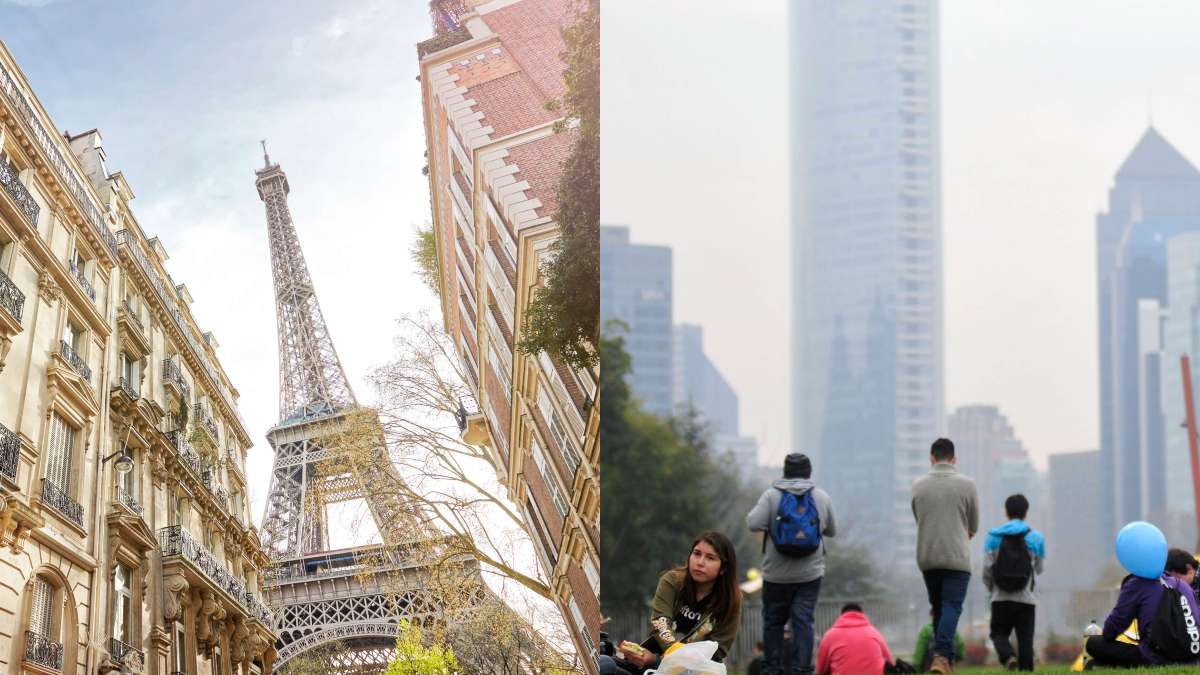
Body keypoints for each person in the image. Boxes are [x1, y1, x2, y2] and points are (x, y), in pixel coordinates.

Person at [600, 531, 743, 674]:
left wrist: (657, 661)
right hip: (650, 663)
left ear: (723, 568)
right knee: (605, 664)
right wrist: (663, 655)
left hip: (693, 671)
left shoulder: (731, 600)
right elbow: (660, 622)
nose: (700, 562)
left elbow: (717, 651)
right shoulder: (672, 581)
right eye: (697, 553)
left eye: (710, 558)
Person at [747, 452, 837, 675]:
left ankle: (773, 669)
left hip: (775, 574)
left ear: (785, 472)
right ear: (809, 472)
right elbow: (832, 530)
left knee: (773, 622)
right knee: (803, 622)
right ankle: (803, 670)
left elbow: (753, 523)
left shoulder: (771, 496)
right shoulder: (821, 497)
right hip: (809, 575)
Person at [911, 438, 978, 674]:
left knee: (938, 607)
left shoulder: (917, 485)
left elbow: (919, 518)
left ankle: (945, 663)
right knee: (951, 606)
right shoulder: (967, 485)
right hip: (956, 557)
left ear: (931, 458)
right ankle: (940, 657)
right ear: (954, 459)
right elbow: (973, 525)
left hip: (928, 557)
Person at [1083, 548, 1200, 666]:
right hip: (1194, 657)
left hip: (1157, 657)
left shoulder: (1137, 584)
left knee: (1093, 643)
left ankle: (1098, 664)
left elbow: (1113, 627)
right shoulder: (1183, 585)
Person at [982, 494, 1045, 671]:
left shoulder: (993, 536)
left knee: (998, 634)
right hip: (1026, 599)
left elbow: (987, 569)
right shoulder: (1036, 538)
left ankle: (1008, 656)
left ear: (1006, 512)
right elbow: (1039, 568)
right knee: (1026, 639)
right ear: (1026, 512)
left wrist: (990, 588)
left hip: (1000, 597)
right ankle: (1025, 668)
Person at [816, 603, 895, 675]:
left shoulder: (830, 635)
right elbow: (890, 663)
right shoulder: (874, 632)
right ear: (862, 615)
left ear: (842, 616)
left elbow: (821, 669)